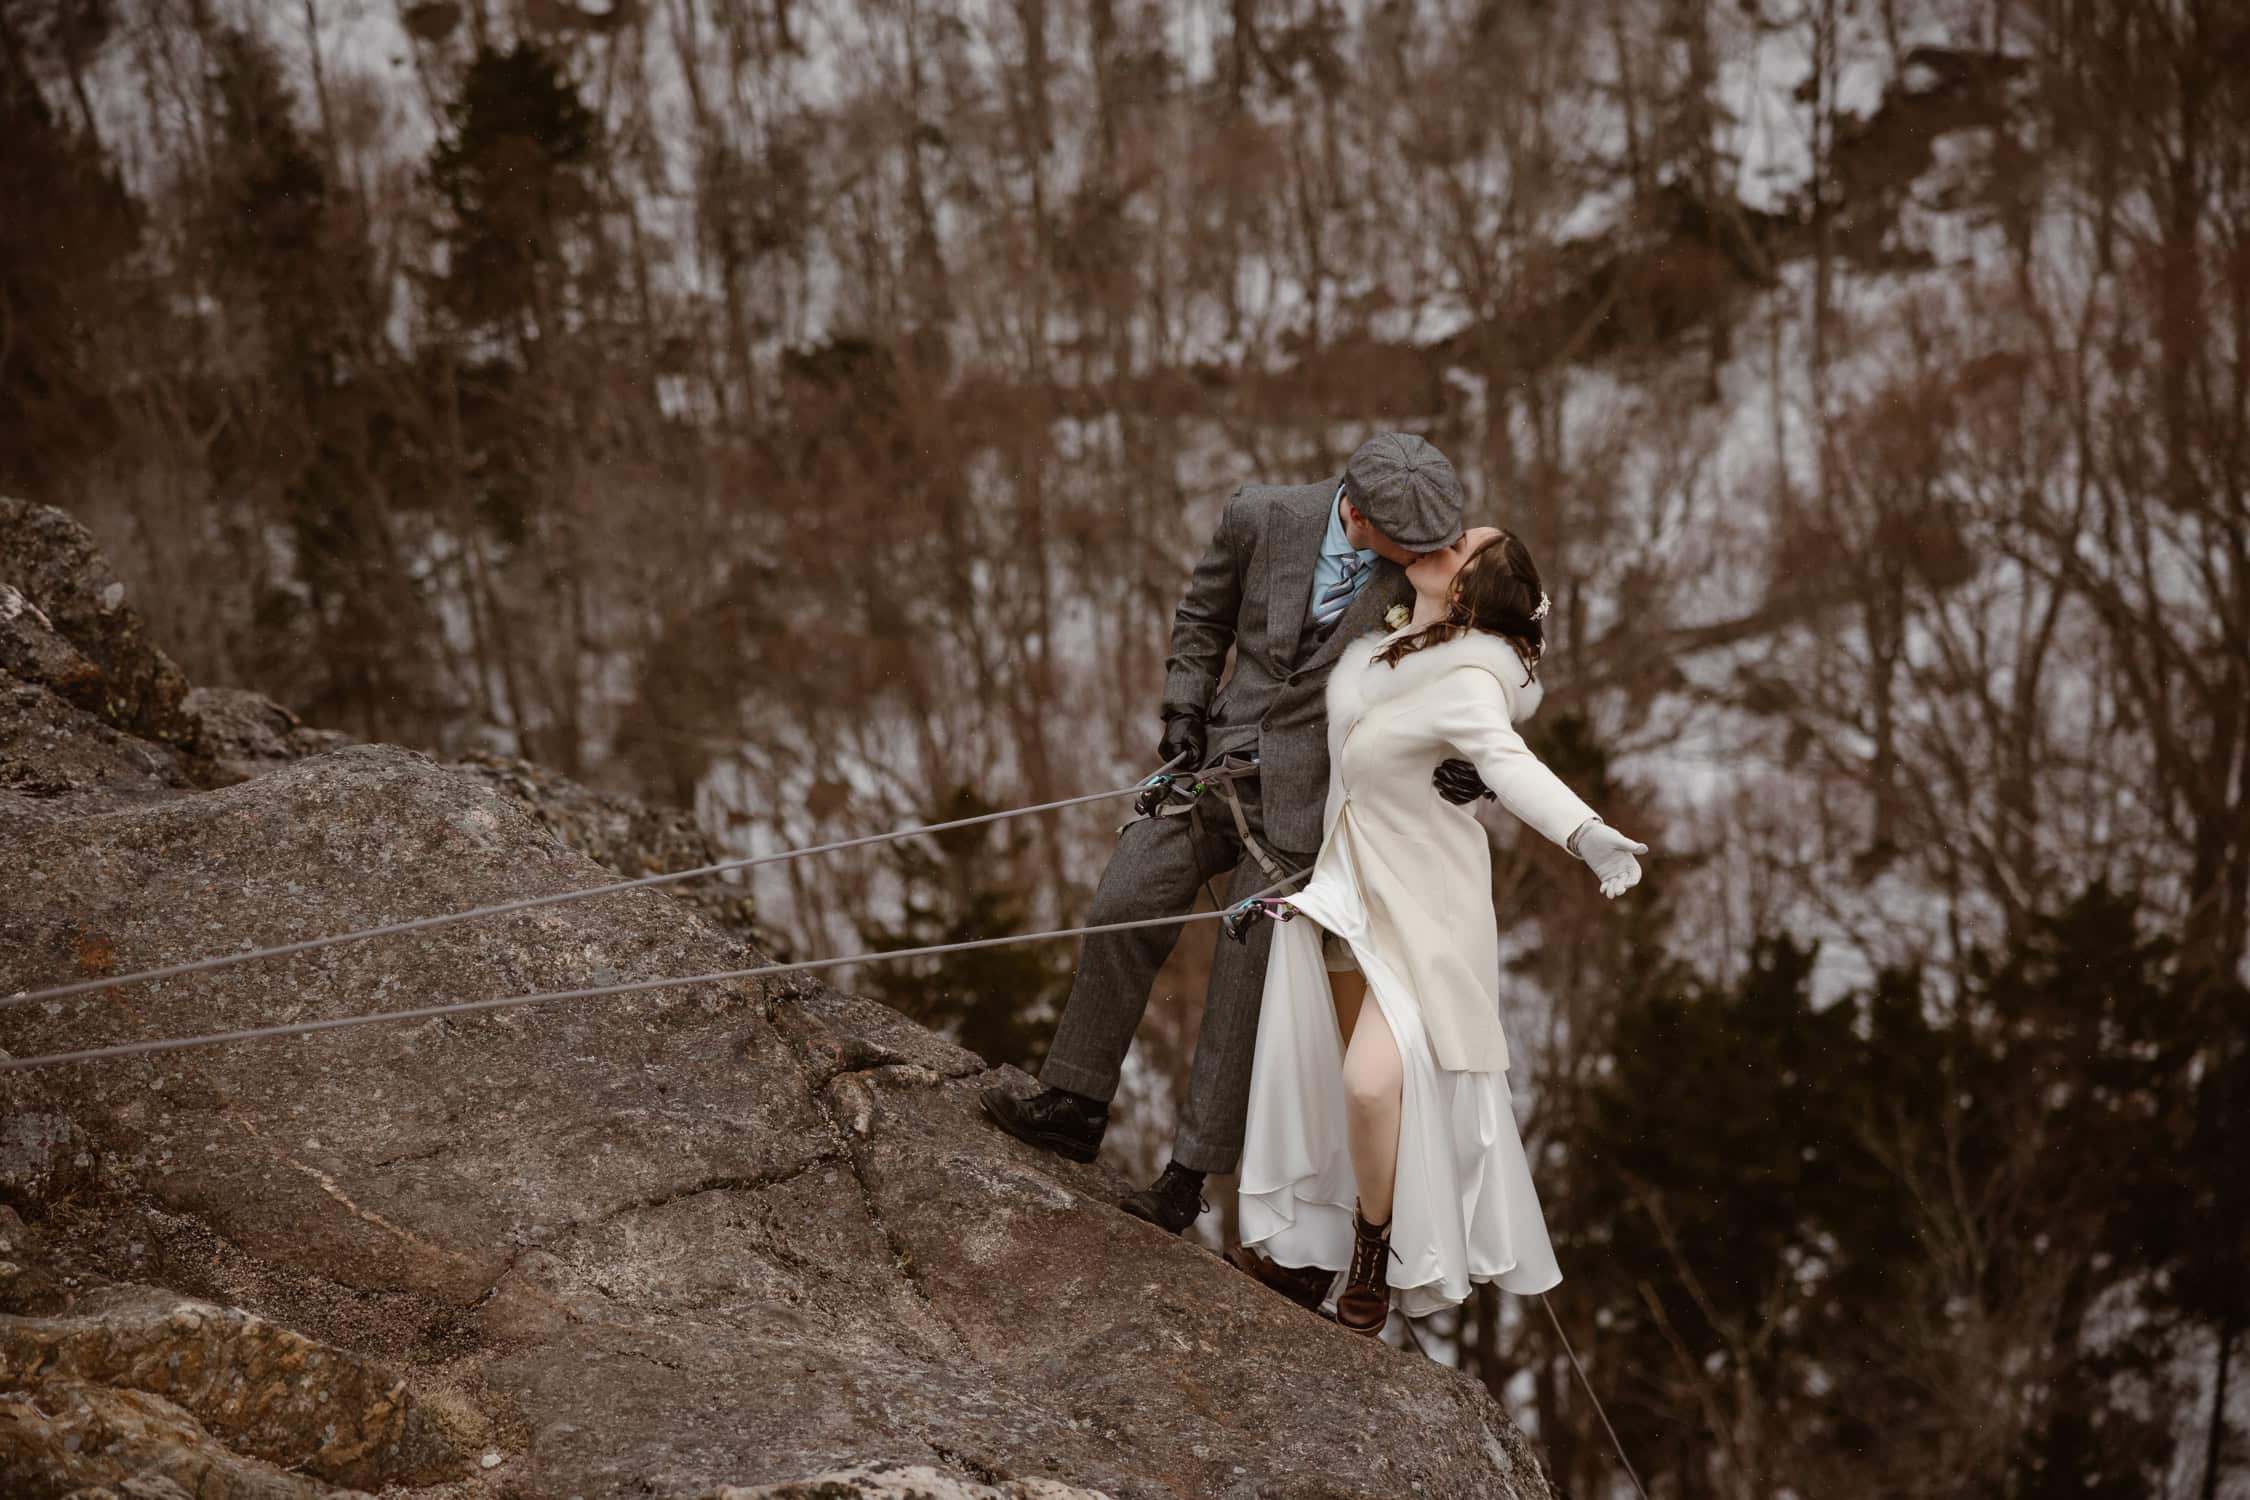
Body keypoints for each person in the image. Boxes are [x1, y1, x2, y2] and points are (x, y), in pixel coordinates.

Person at [980, 433, 1488, 1233]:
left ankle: (1186, 1179)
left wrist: (1466, 765)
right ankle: (1074, 1102)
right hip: (1212, 764)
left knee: (1242, 985)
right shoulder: (1262, 516)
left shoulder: (1439, 576)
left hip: (1309, 809)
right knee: (1124, 901)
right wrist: (1183, 708)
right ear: (1357, 512)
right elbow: (1203, 615)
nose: (1433, 552)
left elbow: (1473, 679)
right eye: (1412, 540)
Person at [1223, 527, 1647, 1335]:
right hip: (1347, 893)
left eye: (1461, 547)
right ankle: (1308, 1259)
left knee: (1371, 1084)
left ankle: (1372, 1252)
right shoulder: (1386, 643)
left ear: (1465, 593)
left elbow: (1508, 758)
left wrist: (1587, 834)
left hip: (1421, 913)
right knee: (1332, 1083)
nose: (1442, 540)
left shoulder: (1469, 677)